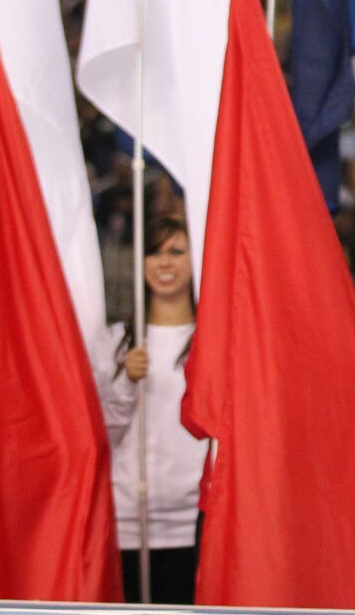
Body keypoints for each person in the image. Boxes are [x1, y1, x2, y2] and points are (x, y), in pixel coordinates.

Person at [97, 216, 207, 605]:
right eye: (154, 252)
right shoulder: (114, 341)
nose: (165, 263)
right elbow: (103, 432)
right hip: (130, 518)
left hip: (195, 520)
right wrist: (126, 380)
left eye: (176, 252)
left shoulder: (212, 340)